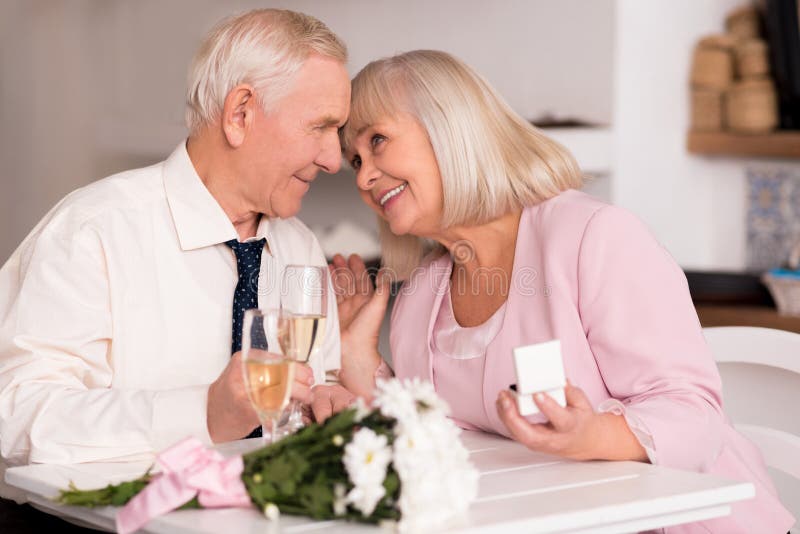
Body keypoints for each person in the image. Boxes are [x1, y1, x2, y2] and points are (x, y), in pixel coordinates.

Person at [331, 50, 794, 532]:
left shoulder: (593, 237)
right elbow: (434, 440)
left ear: (450, 126)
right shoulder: (423, 292)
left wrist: (595, 435)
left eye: (378, 141)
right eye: (355, 160)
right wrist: (358, 359)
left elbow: (694, 415)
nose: (363, 177)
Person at [0, 8, 355, 488]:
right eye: (320, 127)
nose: (334, 159)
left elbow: (318, 385)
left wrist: (325, 403)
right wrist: (202, 414)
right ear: (240, 114)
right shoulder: (93, 232)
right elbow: (17, 415)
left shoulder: (301, 249)